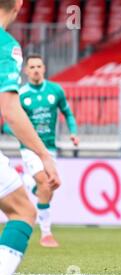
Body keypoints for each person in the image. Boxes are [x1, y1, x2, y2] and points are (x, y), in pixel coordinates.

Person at [0, 0, 60, 275]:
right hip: (33, 147)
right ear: (19, 5)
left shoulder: (53, 91)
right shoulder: (5, 45)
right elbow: (9, 109)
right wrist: (45, 155)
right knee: (22, 210)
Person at [4, 54, 79, 248]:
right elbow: (7, 125)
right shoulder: (20, 95)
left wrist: (74, 133)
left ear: (44, 68)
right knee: (46, 183)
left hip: (49, 148)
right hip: (29, 148)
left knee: (48, 188)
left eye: (39, 66)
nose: (36, 69)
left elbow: (68, 113)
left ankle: (31, 185)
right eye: (32, 67)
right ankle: (46, 234)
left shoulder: (56, 90)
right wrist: (23, 134)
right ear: (26, 71)